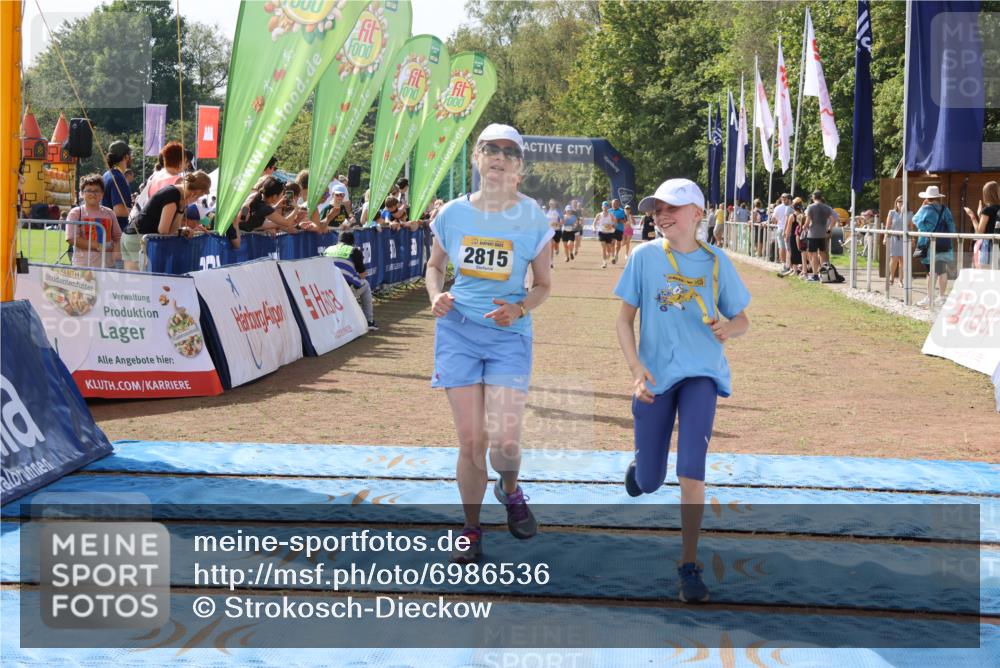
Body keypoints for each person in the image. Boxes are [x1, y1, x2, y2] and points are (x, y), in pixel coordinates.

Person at [614, 178, 750, 603]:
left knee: (692, 470)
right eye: (657, 209)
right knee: (651, 481)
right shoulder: (643, 257)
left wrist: (729, 328)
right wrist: (636, 370)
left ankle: (689, 565)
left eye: (671, 208)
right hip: (655, 378)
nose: (662, 215)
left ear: (697, 213)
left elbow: (742, 319)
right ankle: (641, 469)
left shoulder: (716, 261)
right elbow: (623, 320)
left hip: (701, 375)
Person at [424, 123, 553, 564]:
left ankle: (511, 490)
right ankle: (471, 528)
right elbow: (435, 267)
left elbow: (543, 284)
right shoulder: (451, 214)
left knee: (505, 441)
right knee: (470, 439)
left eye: (508, 152)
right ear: (476, 158)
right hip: (458, 331)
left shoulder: (533, 217)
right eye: (489, 149)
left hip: (508, 337)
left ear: (519, 166)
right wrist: (435, 294)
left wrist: (519, 308)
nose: (498, 157)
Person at [121, 171, 212, 270]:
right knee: (143, 278)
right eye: (200, 196)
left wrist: (182, 209)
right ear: (196, 192)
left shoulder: (177, 196)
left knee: (132, 278)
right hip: (138, 239)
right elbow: (163, 230)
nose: (197, 199)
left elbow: (171, 230)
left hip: (132, 236)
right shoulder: (173, 195)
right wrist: (181, 229)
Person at [324, 231, 377, 331]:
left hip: (327, 290)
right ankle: (369, 321)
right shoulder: (354, 250)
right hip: (344, 290)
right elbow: (362, 274)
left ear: (338, 241)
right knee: (365, 284)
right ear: (353, 242)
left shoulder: (328, 249)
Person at [913, 185, 956, 306]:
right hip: (943, 244)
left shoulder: (925, 209)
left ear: (927, 198)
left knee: (930, 272)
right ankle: (942, 297)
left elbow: (915, 220)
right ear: (938, 197)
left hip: (929, 245)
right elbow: (951, 227)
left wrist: (921, 207)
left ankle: (929, 297)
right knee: (941, 270)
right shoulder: (945, 209)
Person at [66, 173, 120, 268]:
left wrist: (117, 251)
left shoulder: (110, 213)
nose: (93, 194)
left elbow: (118, 236)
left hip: (108, 266)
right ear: (82, 194)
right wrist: (96, 245)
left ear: (102, 194)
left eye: (97, 191)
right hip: (83, 266)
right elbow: (71, 238)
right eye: (89, 191)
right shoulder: (76, 213)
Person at [234, 175, 311, 234]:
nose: (283, 196)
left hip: (240, 230)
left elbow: (247, 207)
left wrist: (276, 207)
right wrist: (296, 209)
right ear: (274, 196)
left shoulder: (257, 195)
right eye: (281, 194)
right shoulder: (266, 208)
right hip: (240, 233)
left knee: (276, 224)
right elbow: (287, 223)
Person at [964, 180, 999, 269]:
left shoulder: (987, 210)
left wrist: (972, 215)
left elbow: (979, 232)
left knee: (986, 274)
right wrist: (980, 215)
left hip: (989, 247)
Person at [101, 140, 133, 235]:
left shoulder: (106, 175)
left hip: (107, 229)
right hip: (117, 232)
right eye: (130, 155)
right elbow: (119, 211)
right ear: (126, 157)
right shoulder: (118, 178)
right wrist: (139, 212)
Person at [804, 191, 834, 281]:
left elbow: (807, 221)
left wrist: (804, 227)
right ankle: (824, 274)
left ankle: (815, 275)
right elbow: (833, 220)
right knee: (822, 254)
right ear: (821, 197)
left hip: (812, 234)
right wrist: (829, 229)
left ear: (813, 197)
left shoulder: (810, 207)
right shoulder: (827, 207)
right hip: (823, 234)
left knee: (813, 254)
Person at [883, 198, 909, 287]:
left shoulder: (909, 213)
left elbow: (910, 227)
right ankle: (892, 276)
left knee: (903, 260)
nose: (901, 203)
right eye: (899, 201)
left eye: (903, 201)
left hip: (904, 239)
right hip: (894, 238)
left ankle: (901, 280)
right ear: (896, 202)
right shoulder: (892, 212)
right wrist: (885, 237)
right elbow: (887, 226)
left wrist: (912, 239)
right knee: (894, 259)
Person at [772, 193, 793, 274]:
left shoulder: (777, 208)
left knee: (782, 247)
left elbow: (773, 219)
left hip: (781, 228)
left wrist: (778, 221)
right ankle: (789, 265)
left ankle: (784, 264)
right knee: (788, 248)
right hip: (788, 229)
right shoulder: (791, 207)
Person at [593, 201, 616, 268]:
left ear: (608, 207)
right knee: (604, 248)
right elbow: (594, 223)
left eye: (606, 207)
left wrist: (611, 225)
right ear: (602, 207)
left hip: (609, 233)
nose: (605, 208)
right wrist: (594, 228)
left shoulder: (611, 215)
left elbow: (615, 222)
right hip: (601, 232)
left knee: (608, 249)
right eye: (604, 207)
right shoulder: (599, 215)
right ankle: (604, 263)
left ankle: (609, 254)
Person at [610, 198, 627, 263]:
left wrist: (618, 220)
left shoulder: (622, 211)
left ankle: (616, 254)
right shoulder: (609, 210)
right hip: (611, 229)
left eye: (616, 203)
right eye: (613, 203)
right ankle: (613, 256)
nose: (614, 205)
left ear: (618, 204)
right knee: (612, 243)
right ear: (611, 204)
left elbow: (625, 220)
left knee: (618, 244)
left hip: (619, 229)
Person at [546, 199, 562, 266]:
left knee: (556, 244)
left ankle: (557, 249)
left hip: (557, 230)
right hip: (549, 231)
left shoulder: (558, 211)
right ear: (549, 204)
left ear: (555, 204)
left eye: (553, 203)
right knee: (551, 246)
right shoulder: (546, 212)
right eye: (550, 203)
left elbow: (562, 221)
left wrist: (556, 223)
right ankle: (551, 262)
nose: (551, 205)